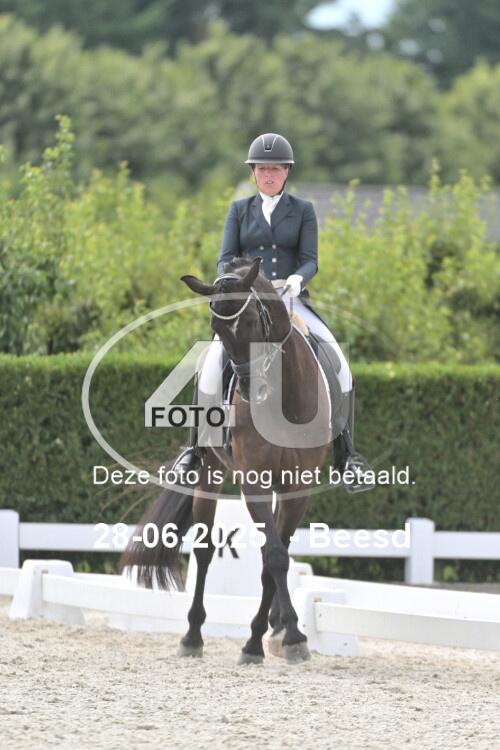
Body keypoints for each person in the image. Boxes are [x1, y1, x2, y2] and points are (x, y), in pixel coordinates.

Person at [175, 132, 373, 492]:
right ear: (253, 172)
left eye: (275, 169)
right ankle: (193, 451)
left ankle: (347, 456)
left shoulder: (303, 210)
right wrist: (232, 284)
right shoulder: (239, 210)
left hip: (290, 298)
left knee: (338, 360)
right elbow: (225, 259)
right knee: (209, 362)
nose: (268, 175)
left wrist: (298, 279)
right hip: (247, 300)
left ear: (286, 172)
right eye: (262, 169)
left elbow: (311, 259)